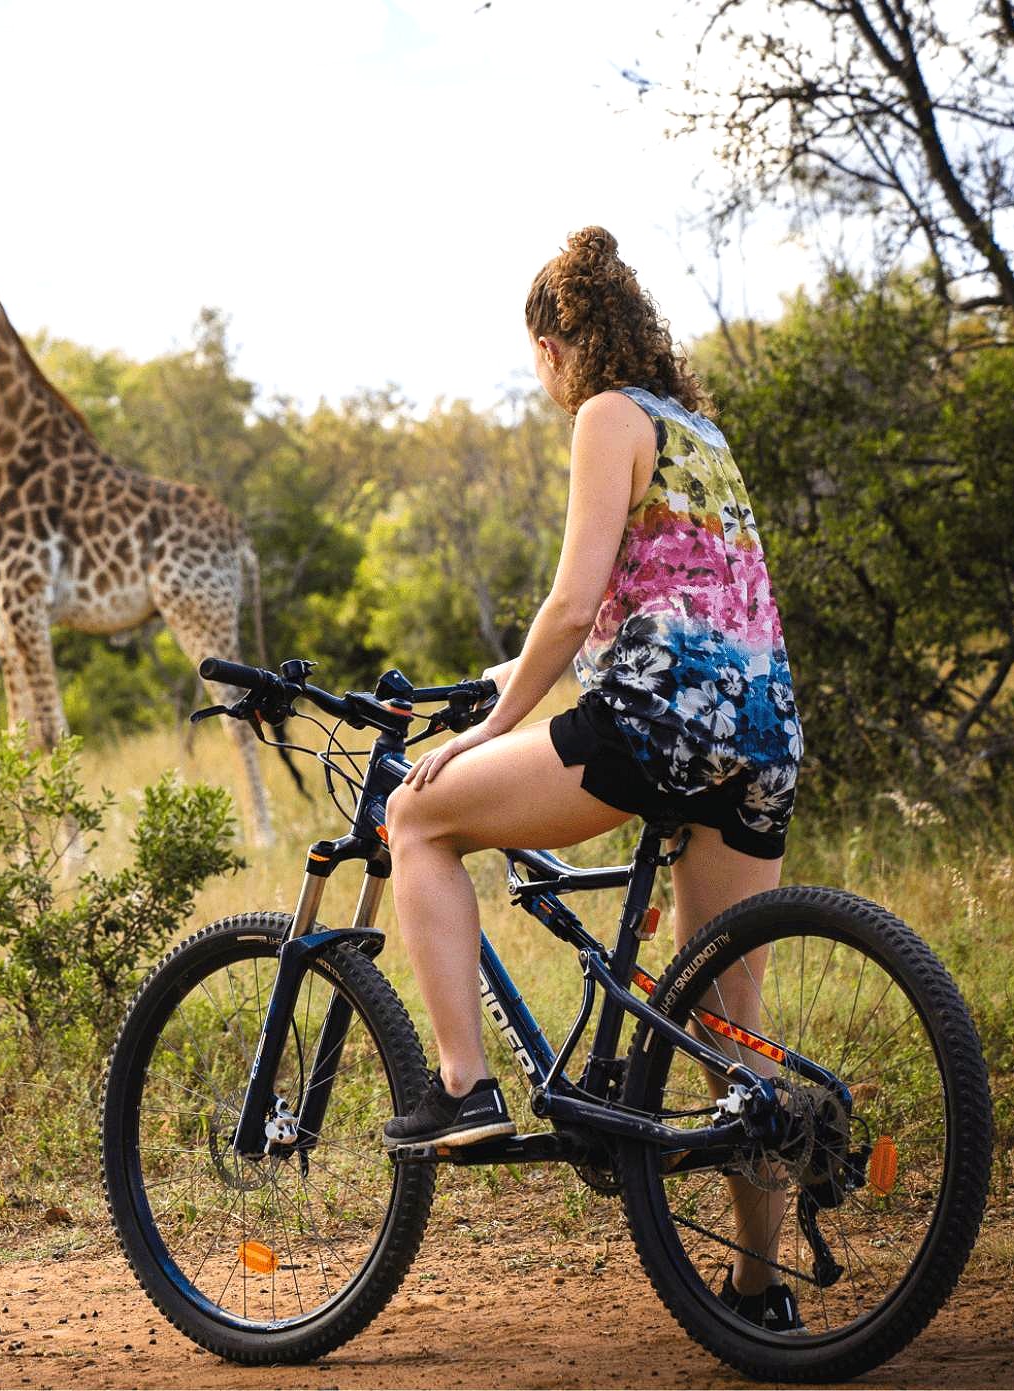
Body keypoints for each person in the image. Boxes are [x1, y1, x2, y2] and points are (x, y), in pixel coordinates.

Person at [377, 227, 803, 1328]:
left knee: (414, 816)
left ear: (554, 344)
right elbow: (669, 593)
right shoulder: (694, 430)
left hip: (660, 722)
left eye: (535, 357)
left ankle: (461, 1092)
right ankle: (759, 1297)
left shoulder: (601, 416)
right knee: (726, 1035)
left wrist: (485, 731)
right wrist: (499, 685)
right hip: (761, 733)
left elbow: (572, 607)